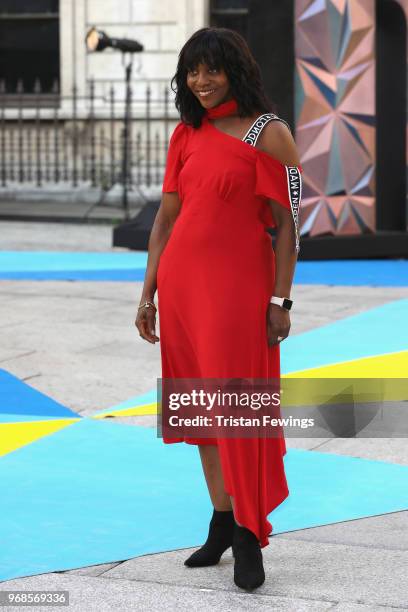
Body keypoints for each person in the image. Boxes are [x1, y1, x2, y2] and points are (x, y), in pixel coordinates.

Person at [135, 26, 302, 591]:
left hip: (237, 293)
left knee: (239, 411)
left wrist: (281, 300)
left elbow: (288, 228)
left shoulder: (269, 134)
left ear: (236, 70)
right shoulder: (186, 134)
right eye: (193, 71)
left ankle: (251, 534)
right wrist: (148, 292)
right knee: (201, 414)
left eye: (213, 69)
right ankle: (222, 521)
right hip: (181, 290)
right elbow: (165, 220)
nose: (201, 82)